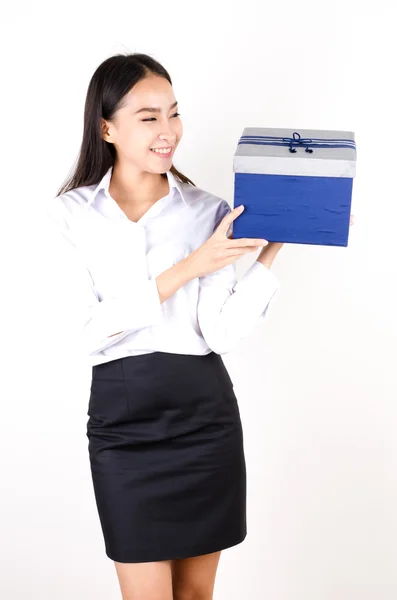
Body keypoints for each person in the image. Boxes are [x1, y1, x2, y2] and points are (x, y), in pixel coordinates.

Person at [45, 52, 351, 600]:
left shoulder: (207, 211)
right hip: (123, 425)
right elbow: (88, 332)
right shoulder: (71, 215)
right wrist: (189, 266)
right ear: (106, 127)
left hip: (204, 418)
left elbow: (220, 334)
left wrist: (274, 238)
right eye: (149, 117)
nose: (169, 132)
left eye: (174, 113)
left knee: (194, 597)